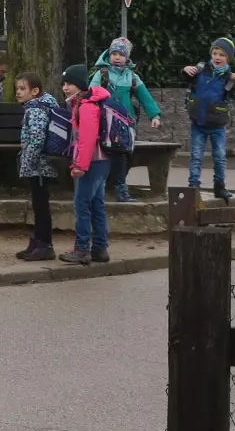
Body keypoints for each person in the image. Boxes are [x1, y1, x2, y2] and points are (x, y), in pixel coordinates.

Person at [89, 37, 163, 203]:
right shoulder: (102, 75)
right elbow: (91, 95)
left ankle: (119, 187)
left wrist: (154, 115)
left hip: (125, 123)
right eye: (114, 53)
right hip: (105, 122)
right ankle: (111, 187)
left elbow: (145, 97)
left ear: (127, 57)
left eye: (121, 54)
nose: (117, 57)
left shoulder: (132, 77)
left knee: (124, 155)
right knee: (106, 154)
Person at [182, 36, 235, 200]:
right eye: (215, 53)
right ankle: (193, 186)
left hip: (217, 124)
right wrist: (185, 70)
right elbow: (185, 78)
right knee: (196, 156)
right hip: (198, 122)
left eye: (222, 55)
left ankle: (219, 187)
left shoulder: (229, 78)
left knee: (219, 157)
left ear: (228, 58)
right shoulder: (201, 70)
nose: (217, 57)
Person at [61, 64, 111, 265]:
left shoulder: (87, 106)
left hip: (92, 162)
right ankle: (100, 248)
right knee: (97, 204)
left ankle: (82, 248)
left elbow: (87, 139)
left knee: (82, 204)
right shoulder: (89, 102)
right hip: (102, 160)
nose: (65, 87)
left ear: (80, 85)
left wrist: (80, 165)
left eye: (70, 83)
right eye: (64, 83)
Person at [15, 72, 60, 261]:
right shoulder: (39, 106)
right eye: (17, 88)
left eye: (22, 89)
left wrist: (27, 163)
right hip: (42, 165)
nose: (18, 92)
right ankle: (38, 241)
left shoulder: (35, 109)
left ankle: (45, 244)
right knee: (39, 204)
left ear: (35, 91)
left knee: (41, 206)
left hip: (39, 166)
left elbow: (36, 139)